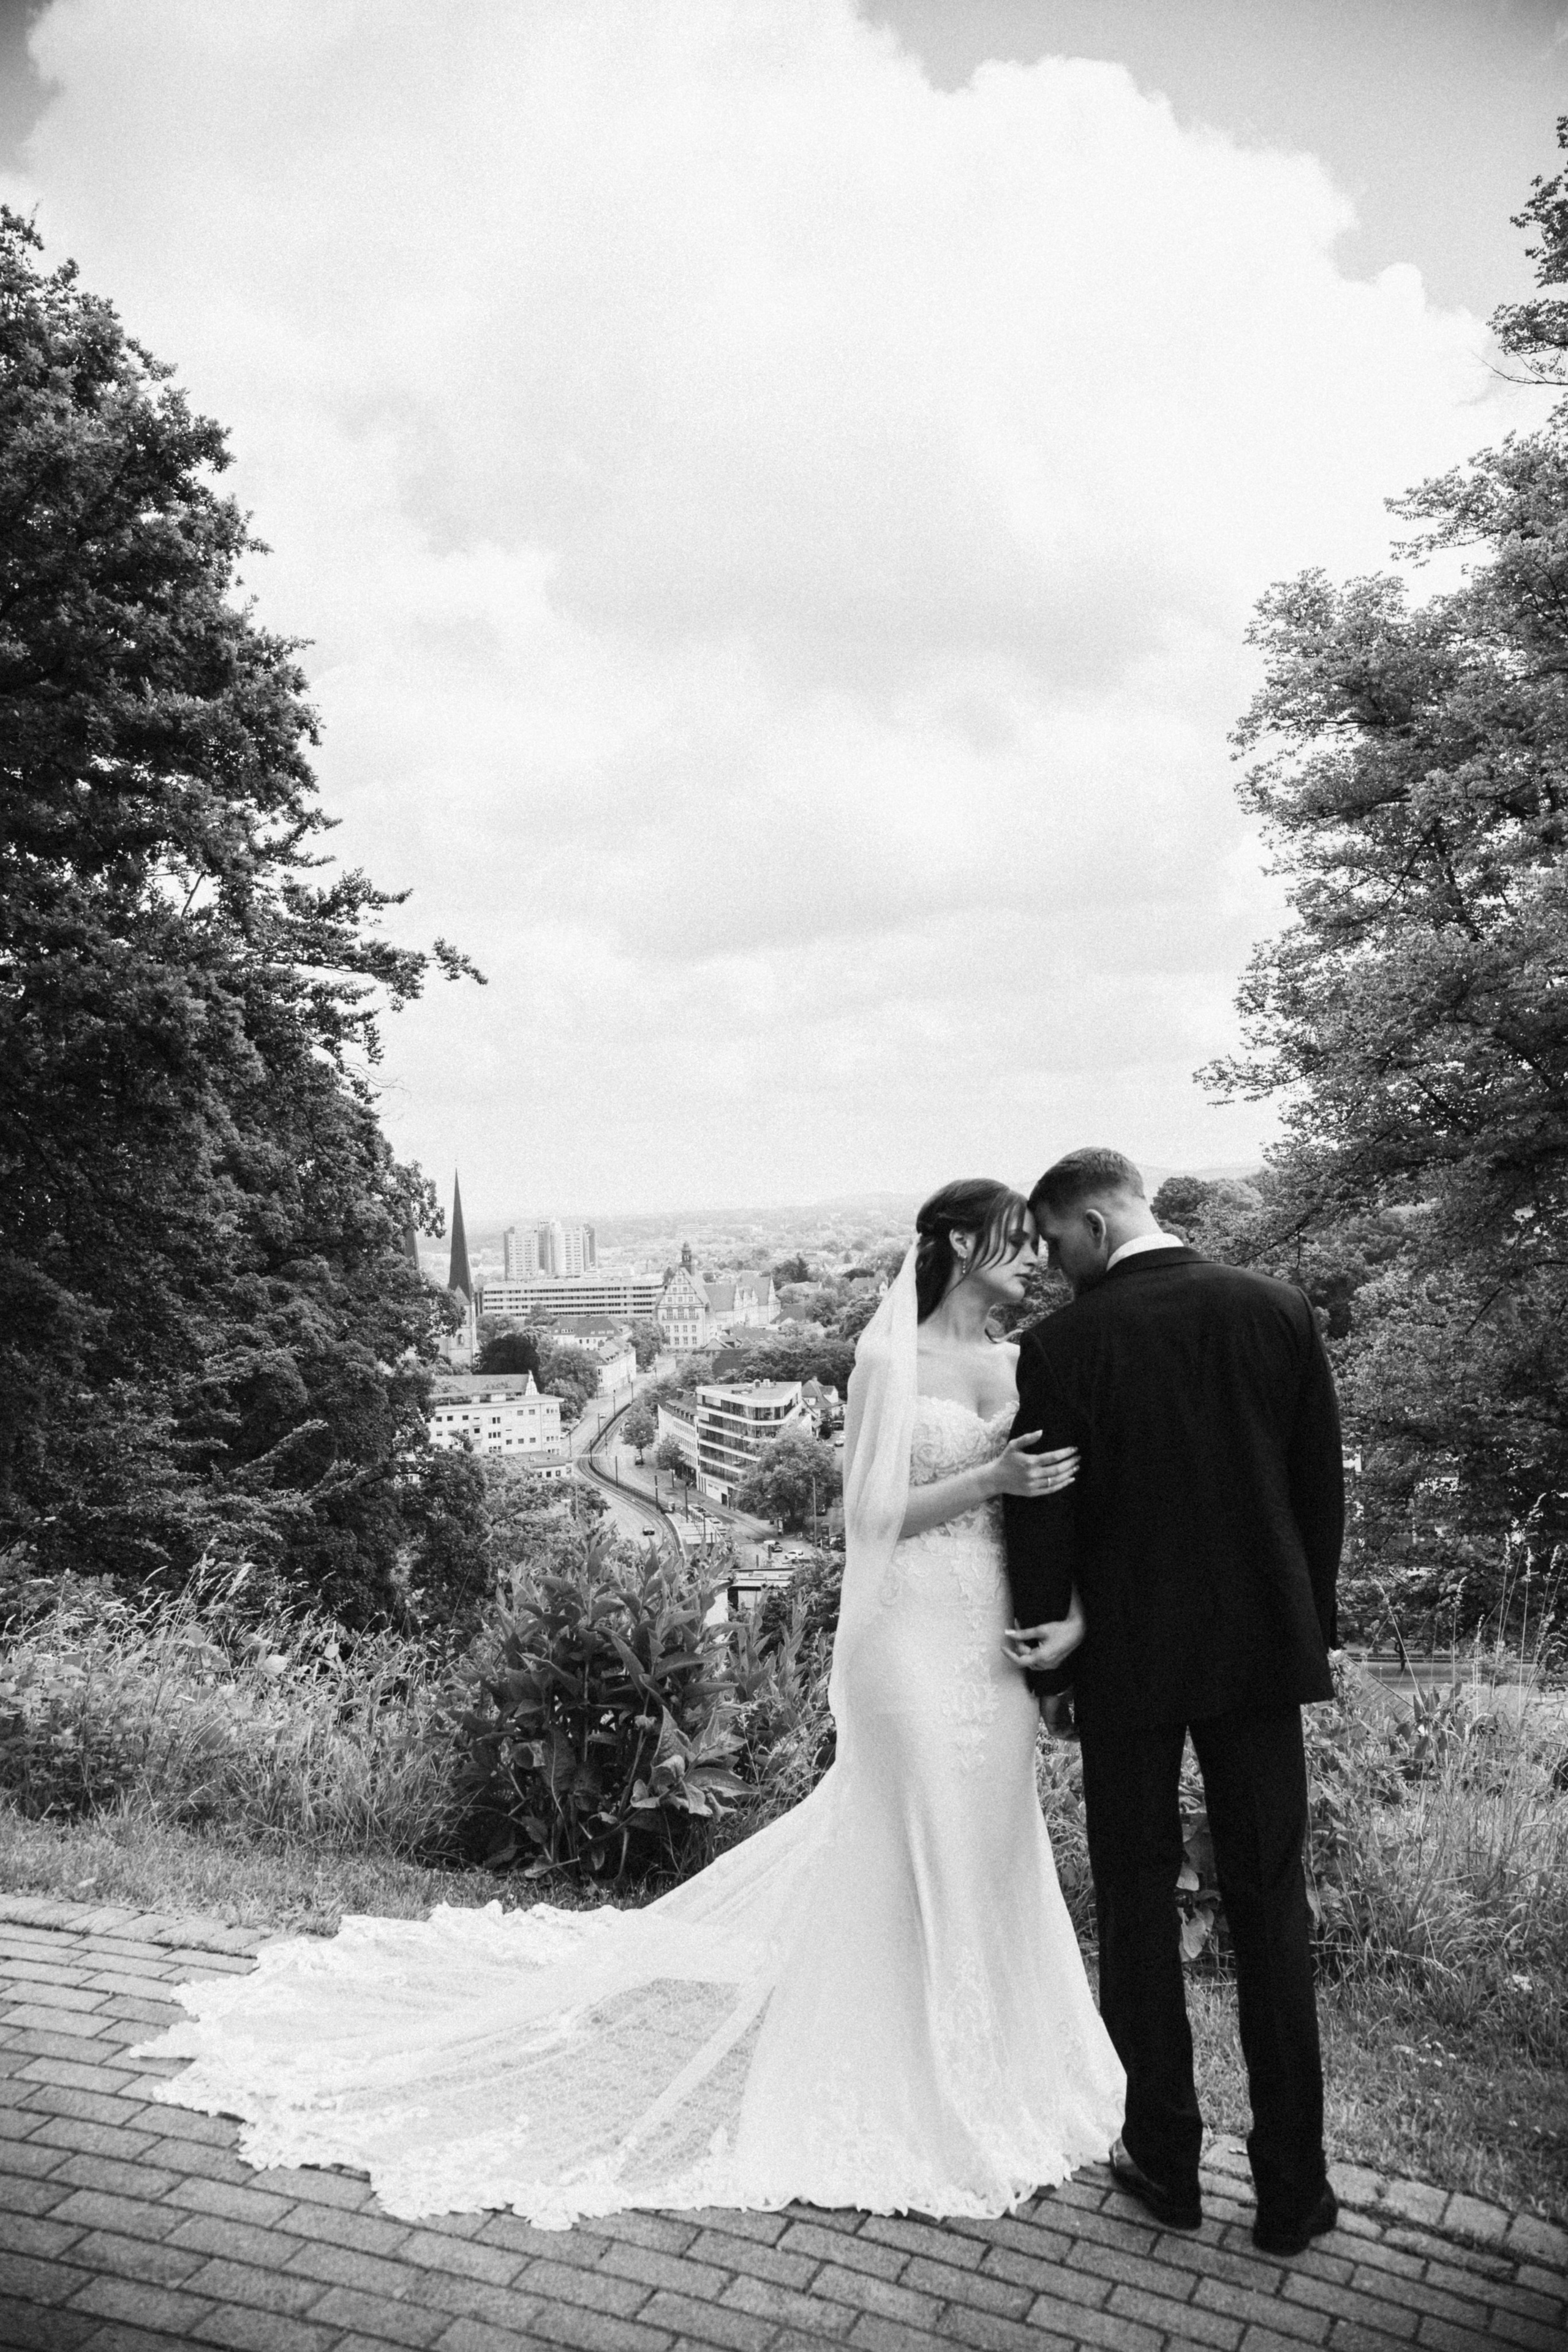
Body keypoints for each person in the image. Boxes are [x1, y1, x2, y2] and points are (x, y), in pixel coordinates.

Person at [135, 1180, 1123, 2226]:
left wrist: (1070, 1610)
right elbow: (865, 1518)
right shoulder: (888, 1360)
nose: (1035, 1262)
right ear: (962, 1243)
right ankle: (898, 2059)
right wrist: (991, 1483)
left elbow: (1072, 1506)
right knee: (913, 1824)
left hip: (992, 1638)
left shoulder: (1024, 1364)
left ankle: (999, 2060)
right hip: (910, 1634)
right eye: (1017, 1243)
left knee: (989, 1837)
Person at [1003, 1147, 1344, 2259]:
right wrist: (1308, 1633)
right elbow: (1316, 1496)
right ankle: (1295, 2192)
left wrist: (1052, 1670)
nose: (1052, 1270)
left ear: (1096, 1225)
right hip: (1259, 1659)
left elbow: (1046, 1521)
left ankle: (1165, 2155)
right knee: (1271, 1908)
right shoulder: (1278, 1309)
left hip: (1130, 1666)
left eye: (1055, 1243)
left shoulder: (1064, 1346)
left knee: (1137, 1903)